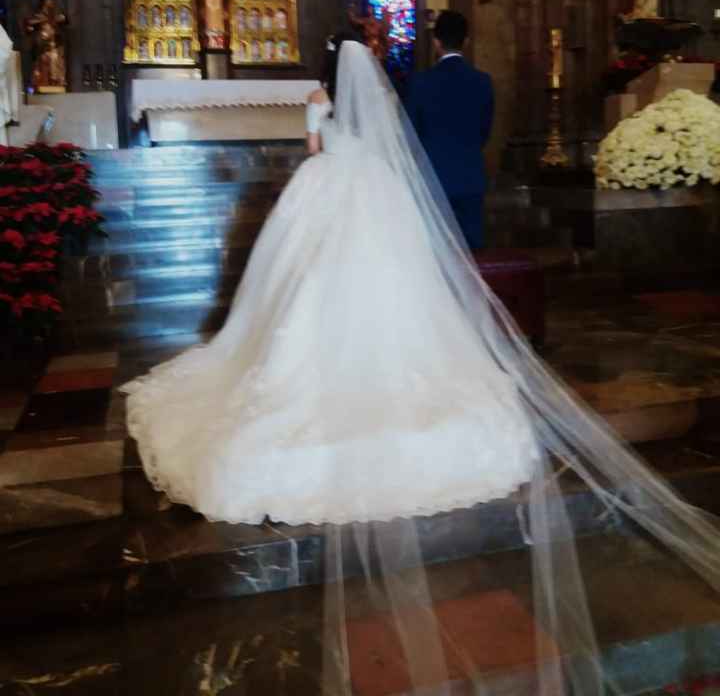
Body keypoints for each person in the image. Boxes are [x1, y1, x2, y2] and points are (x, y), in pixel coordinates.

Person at [122, 40, 720, 695]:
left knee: (306, 294)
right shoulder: (387, 129)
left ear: (329, 76)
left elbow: (315, 152)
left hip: (323, 203)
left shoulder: (316, 102)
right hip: (379, 210)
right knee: (398, 297)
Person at [405, 10, 493, 249]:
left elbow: (412, 133)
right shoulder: (483, 82)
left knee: (438, 255)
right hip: (471, 177)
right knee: (472, 256)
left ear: (436, 42)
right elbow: (484, 130)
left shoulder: (421, 83)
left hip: (434, 179)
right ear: (466, 41)